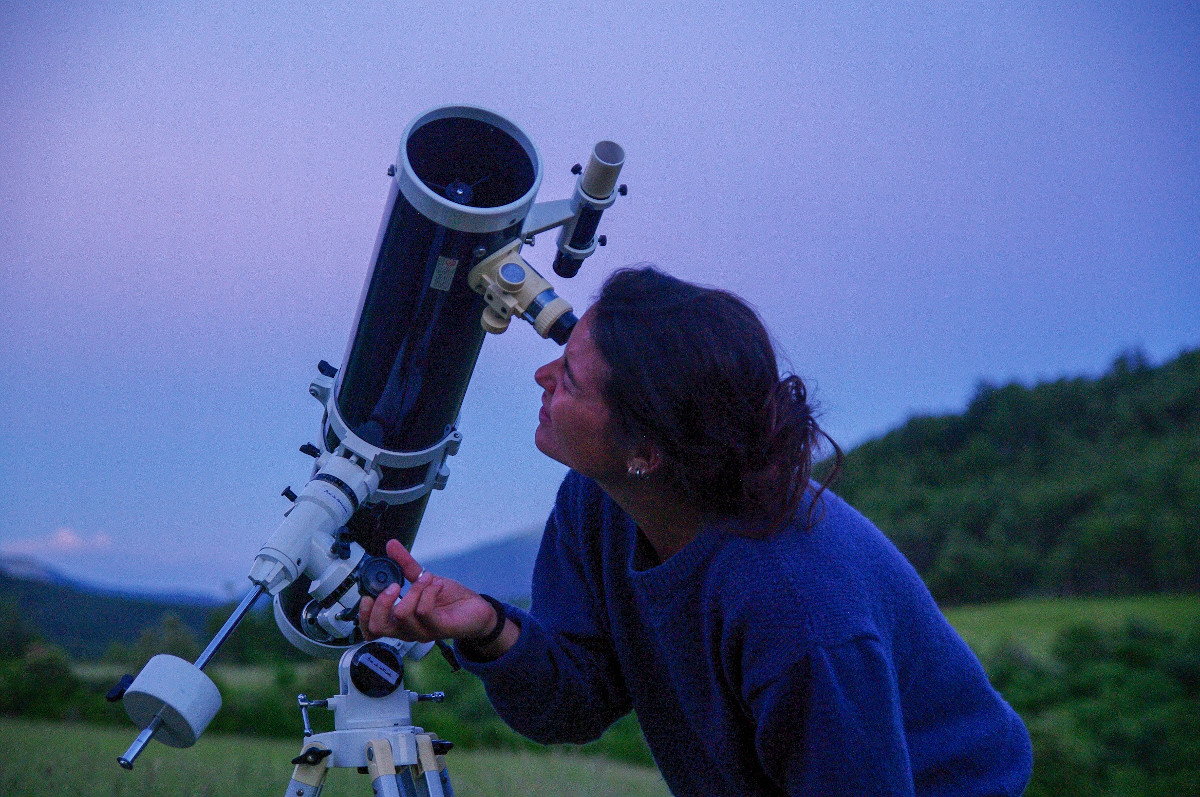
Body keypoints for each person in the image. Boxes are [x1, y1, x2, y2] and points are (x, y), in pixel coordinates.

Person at [359, 266, 1033, 796]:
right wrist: (488, 629)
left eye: (568, 378)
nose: (541, 377)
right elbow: (574, 703)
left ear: (645, 450)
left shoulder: (796, 607)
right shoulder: (598, 502)